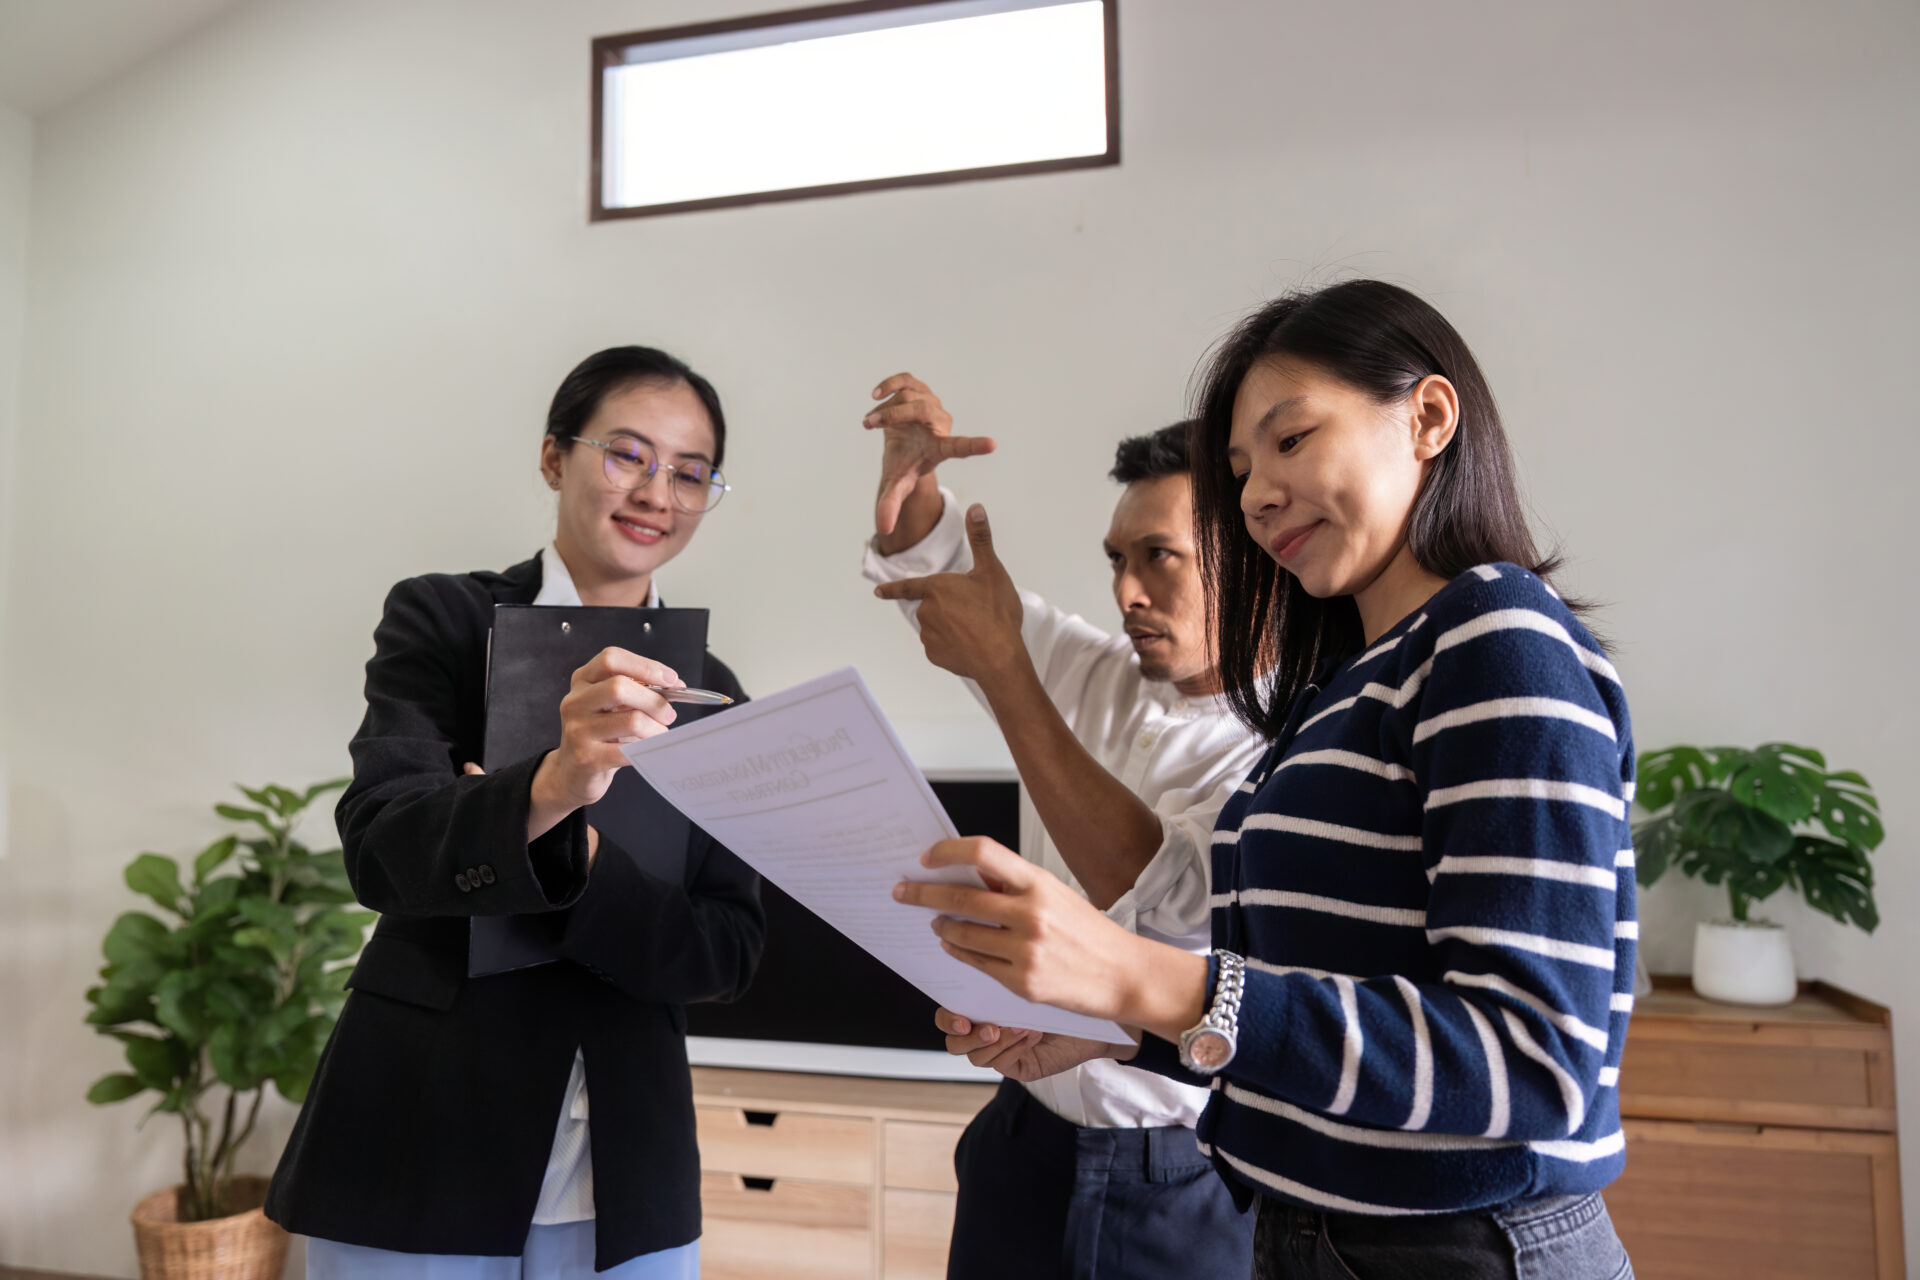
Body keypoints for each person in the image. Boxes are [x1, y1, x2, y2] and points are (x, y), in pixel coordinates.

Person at [894, 282, 1638, 1280]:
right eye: (1242, 468)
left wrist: (1137, 978)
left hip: (1458, 1244)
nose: (1257, 494)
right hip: (1306, 1227)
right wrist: (1110, 1025)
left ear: (1428, 417)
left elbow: (1534, 1060)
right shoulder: (1340, 692)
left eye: (1291, 441)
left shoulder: (1498, 638)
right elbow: (1302, 992)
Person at [266, 346, 765, 1278]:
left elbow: (725, 948)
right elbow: (382, 851)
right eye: (627, 454)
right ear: (553, 459)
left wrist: (562, 853)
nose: (658, 491)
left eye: (689, 472)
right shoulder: (446, 623)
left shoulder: (715, 693)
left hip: (628, 1162)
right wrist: (548, 784)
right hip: (418, 1137)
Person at [860, 374, 1262, 1280]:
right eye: (1116, 559)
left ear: (1256, 553)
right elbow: (952, 590)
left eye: (1159, 557)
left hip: (1181, 1175)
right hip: (1021, 1135)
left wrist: (1010, 679)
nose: (1127, 591)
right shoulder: (1100, 672)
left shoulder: (1290, 741)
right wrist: (913, 481)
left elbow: (1155, 893)